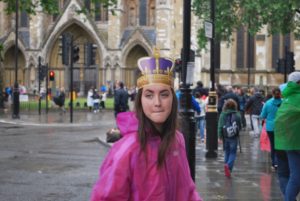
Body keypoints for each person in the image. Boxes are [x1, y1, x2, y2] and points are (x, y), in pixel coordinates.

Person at [91, 51, 202, 201]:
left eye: (164, 94)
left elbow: (188, 191)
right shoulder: (127, 149)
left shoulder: (178, 140)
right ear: (140, 101)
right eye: (149, 95)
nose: (157, 102)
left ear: (172, 100)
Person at [274, 72, 300, 201]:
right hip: (296, 141)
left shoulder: (287, 98)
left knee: (293, 175)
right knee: (296, 176)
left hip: (287, 143)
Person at [218, 99, 242, 178]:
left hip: (225, 136)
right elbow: (239, 126)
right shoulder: (237, 114)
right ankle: (229, 167)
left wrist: (220, 136)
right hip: (234, 137)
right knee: (233, 153)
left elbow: (220, 126)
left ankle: (226, 166)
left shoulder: (222, 114)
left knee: (227, 152)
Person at [260, 87, 282, 171]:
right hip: (281, 127)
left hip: (270, 128)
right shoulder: (283, 103)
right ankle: (280, 162)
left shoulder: (268, 103)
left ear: (273, 94)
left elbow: (262, 116)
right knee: (280, 145)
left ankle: (274, 163)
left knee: (273, 145)